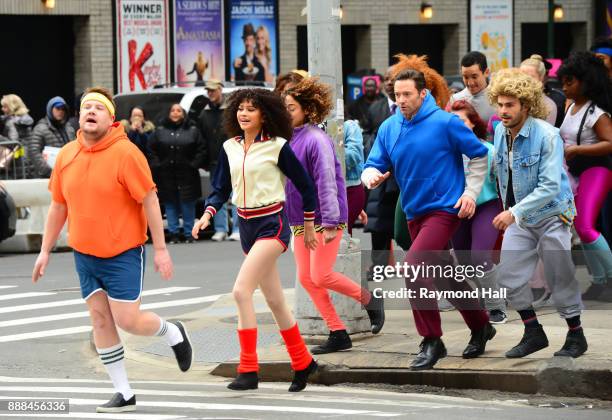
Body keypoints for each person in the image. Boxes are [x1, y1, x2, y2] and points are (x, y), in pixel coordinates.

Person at [32, 87, 192, 413]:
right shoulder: (67, 155)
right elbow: (58, 206)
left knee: (128, 321)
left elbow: (149, 199)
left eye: (98, 108)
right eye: (86, 107)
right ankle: (124, 392)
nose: (91, 111)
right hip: (85, 254)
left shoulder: (126, 154)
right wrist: (45, 250)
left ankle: (172, 331)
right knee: (100, 320)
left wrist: (161, 249)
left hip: (123, 251)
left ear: (111, 118)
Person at [362, 69, 494, 370]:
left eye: (407, 94)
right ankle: (481, 325)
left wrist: (471, 193)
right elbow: (374, 162)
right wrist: (371, 175)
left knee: (414, 269)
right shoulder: (389, 127)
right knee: (446, 277)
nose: (402, 100)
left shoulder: (445, 122)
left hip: (445, 209)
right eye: (397, 95)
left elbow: (479, 154)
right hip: (413, 211)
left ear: (423, 94)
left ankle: (432, 340)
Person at [192, 88, 318, 392]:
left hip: (272, 225)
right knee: (275, 301)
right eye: (240, 109)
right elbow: (220, 188)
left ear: (265, 115)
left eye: (251, 109)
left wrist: (311, 225)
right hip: (245, 227)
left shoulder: (277, 147)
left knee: (240, 291)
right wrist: (207, 214)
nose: (244, 114)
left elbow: (306, 186)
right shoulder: (229, 147)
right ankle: (303, 362)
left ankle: (248, 369)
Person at [488, 69, 587, 358]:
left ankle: (576, 336)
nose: (503, 111)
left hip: (552, 213)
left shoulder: (548, 135)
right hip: (520, 215)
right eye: (500, 104)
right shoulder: (498, 131)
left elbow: (550, 186)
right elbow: (501, 173)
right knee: (507, 276)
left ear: (526, 106)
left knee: (560, 277)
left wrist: (512, 212)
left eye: (510, 105)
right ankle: (533, 332)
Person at [283, 78, 385, 354]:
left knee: (321, 274)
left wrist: (329, 221)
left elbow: (327, 182)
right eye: (284, 107)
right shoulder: (291, 139)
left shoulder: (316, 139)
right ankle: (338, 332)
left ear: (307, 109)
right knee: (307, 278)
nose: (286, 112)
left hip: (323, 219)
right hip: (299, 219)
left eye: (291, 107)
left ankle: (370, 300)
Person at [557, 52, 612, 302]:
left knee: (586, 226)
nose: (565, 86)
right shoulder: (570, 107)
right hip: (575, 170)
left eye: (570, 81)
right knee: (581, 227)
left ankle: (609, 277)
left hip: (597, 170)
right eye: (564, 81)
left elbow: (610, 143)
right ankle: (600, 281)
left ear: (586, 81)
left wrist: (578, 149)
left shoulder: (597, 112)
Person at [449, 100, 507, 324]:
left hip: (487, 206)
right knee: (464, 262)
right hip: (458, 210)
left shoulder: (489, 150)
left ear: (473, 123)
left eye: (462, 121)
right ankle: (487, 291)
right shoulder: (447, 152)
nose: (457, 126)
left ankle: (496, 307)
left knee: (480, 257)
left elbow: (504, 182)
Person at [148, 103, 206, 244]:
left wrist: (194, 164)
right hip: (166, 174)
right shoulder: (160, 130)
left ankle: (189, 233)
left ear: (183, 113)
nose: (175, 113)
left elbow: (202, 149)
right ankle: (173, 233)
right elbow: (151, 150)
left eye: (178, 110)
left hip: (188, 174)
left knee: (188, 204)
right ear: (168, 113)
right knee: (170, 204)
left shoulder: (193, 130)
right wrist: (157, 165)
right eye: (172, 110)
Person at [199, 79, 240, 242]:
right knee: (218, 194)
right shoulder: (204, 113)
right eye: (208, 91)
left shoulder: (230, 111)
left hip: (234, 158)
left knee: (237, 195)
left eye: (213, 90)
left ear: (220, 90)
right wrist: (204, 160)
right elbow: (202, 139)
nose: (211, 94)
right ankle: (221, 229)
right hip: (214, 161)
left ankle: (237, 228)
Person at [28, 96, 76, 178]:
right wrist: (49, 172)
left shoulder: (69, 128)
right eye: (57, 108)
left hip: (67, 174)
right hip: (48, 176)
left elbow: (75, 149)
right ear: (50, 109)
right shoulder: (40, 128)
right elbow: (34, 152)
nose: (60, 111)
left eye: (63, 109)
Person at [448, 51, 497, 129]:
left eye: (474, 77)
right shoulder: (455, 100)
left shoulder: (497, 99)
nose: (470, 83)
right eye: (466, 77)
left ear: (486, 72)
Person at [520, 55, 559, 126]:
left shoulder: (549, 105)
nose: (526, 80)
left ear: (541, 78)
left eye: (531, 77)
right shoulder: (514, 100)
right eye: (522, 76)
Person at [1, 94, 34, 179]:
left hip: (17, 160)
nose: (2, 109)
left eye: (5, 107)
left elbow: (13, 141)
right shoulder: (25, 119)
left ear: (12, 107)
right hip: (28, 157)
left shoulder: (11, 122)